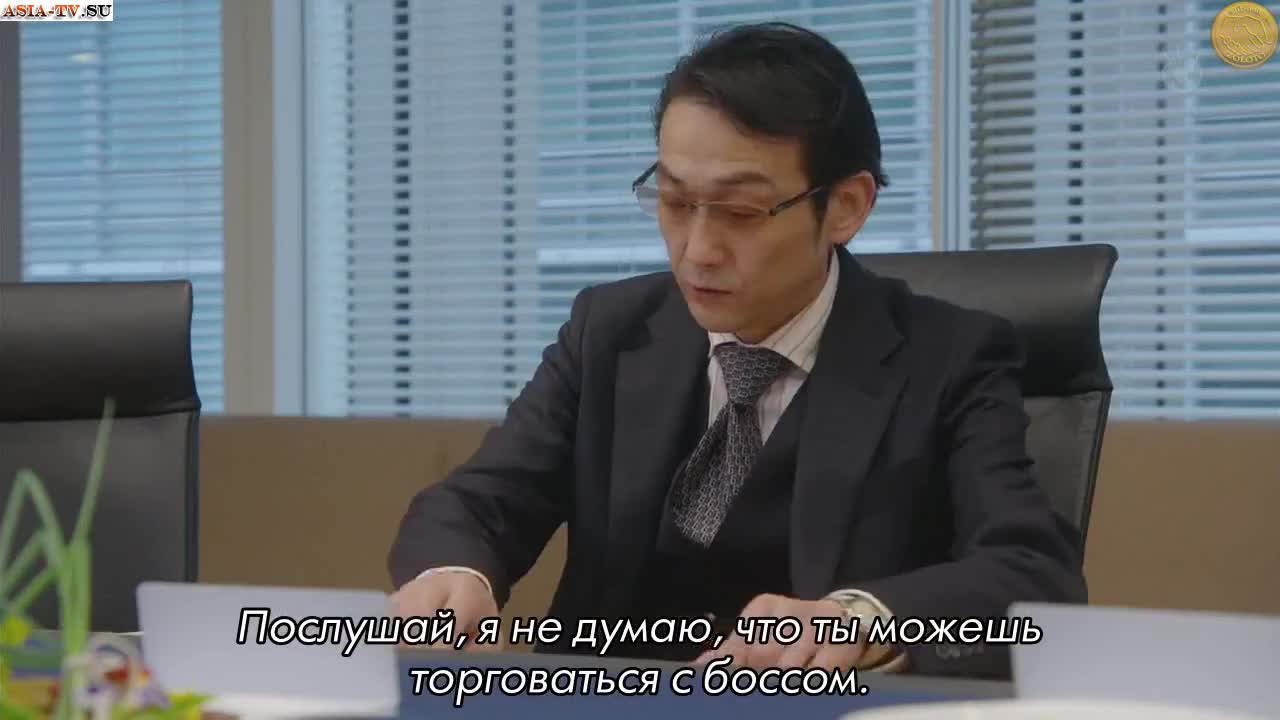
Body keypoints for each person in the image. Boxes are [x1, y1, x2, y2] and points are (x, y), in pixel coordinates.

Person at [387, 21, 1085, 679]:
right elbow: (480, 502)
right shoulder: (611, 331)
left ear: (846, 207)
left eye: (741, 212)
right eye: (673, 201)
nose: (697, 250)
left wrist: (859, 621)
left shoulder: (948, 358)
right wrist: (452, 574)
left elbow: (1033, 575)